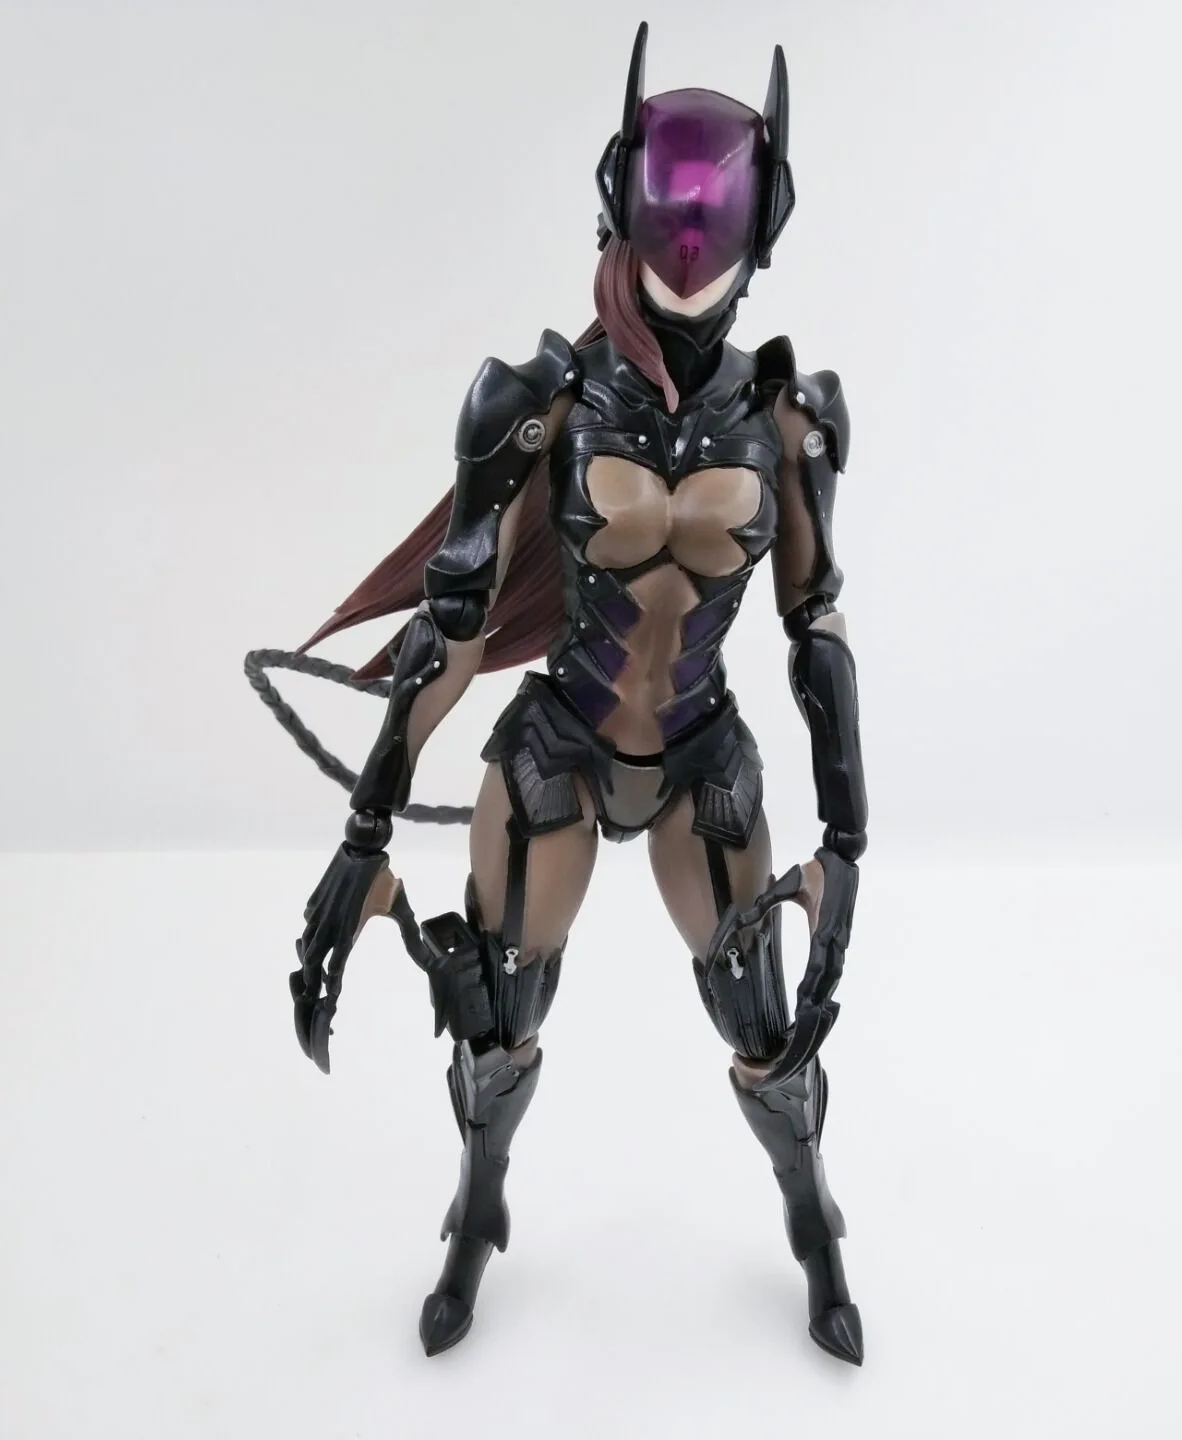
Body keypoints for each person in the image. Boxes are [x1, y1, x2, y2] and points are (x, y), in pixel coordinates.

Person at [248, 22, 868, 1364]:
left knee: (766, 1026)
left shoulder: (788, 420)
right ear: (619, 197)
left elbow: (816, 634)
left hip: (702, 756)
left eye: (718, 209)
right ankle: (476, 1216)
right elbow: (455, 631)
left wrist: (849, 842)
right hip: (559, 749)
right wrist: (362, 833)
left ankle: (815, 1223)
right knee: (496, 1018)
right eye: (667, 204)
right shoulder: (542, 402)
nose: (690, 237)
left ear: (766, 218)